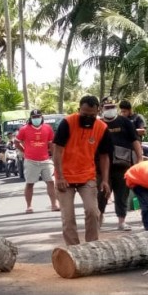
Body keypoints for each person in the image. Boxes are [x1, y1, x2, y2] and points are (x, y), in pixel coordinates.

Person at [53, 95, 113, 245]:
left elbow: (105, 156)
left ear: (98, 111)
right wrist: (59, 177)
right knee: (68, 218)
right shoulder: (67, 123)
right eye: (84, 114)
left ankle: (92, 246)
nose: (88, 117)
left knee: (93, 212)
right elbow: (57, 151)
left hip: (87, 177)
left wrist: (105, 180)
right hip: (65, 178)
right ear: (79, 110)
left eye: (92, 115)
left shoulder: (102, 127)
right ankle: (74, 251)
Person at [98, 99, 143, 231]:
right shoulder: (98, 123)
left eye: (112, 106)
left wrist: (140, 158)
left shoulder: (125, 122)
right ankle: (99, 217)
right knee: (101, 193)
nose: (110, 109)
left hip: (123, 165)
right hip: (101, 166)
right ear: (101, 109)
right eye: (107, 107)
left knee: (122, 193)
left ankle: (121, 221)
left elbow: (135, 140)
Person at [15, 109, 59, 213]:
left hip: (45, 160)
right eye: (34, 117)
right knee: (30, 183)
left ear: (42, 117)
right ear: (31, 118)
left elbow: (51, 144)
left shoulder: (47, 128)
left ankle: (54, 204)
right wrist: (24, 151)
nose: (36, 119)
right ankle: (29, 206)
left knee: (51, 182)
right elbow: (16, 142)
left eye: (38, 117)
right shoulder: (24, 129)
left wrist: (53, 156)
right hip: (30, 161)